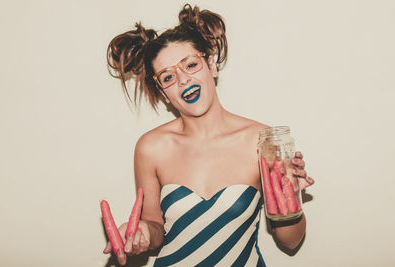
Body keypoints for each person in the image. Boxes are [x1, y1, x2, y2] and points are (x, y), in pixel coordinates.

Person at [103, 4, 314, 266]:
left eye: (191, 64)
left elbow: (291, 242)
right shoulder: (152, 147)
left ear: (211, 65)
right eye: (168, 77)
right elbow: (155, 227)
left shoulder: (261, 141)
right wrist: (144, 232)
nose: (183, 80)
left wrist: (290, 198)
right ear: (163, 92)